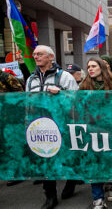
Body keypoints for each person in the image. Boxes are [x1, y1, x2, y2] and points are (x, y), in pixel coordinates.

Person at [25, 45, 79, 209]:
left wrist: (61, 94)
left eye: (40, 54)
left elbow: (76, 100)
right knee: (45, 158)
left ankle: (71, 180)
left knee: (66, 155)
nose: (36, 57)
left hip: (61, 124)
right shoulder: (31, 79)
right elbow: (27, 103)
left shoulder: (65, 77)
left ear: (50, 57)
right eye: (34, 54)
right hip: (40, 126)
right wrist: (28, 122)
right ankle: (50, 196)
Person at [79, 57, 112, 209]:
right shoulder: (83, 85)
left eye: (93, 66)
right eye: (88, 66)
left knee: (110, 159)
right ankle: (98, 198)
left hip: (110, 130)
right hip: (91, 131)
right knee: (93, 163)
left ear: (102, 68)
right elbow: (76, 105)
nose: (90, 69)